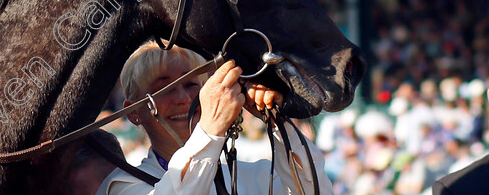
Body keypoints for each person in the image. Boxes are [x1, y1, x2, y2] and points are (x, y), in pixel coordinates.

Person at [96, 41, 332, 195]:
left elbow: (316, 191)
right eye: (165, 89)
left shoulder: (254, 174)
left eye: (191, 84)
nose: (185, 99)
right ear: (134, 113)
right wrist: (210, 130)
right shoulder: (121, 186)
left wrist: (275, 122)